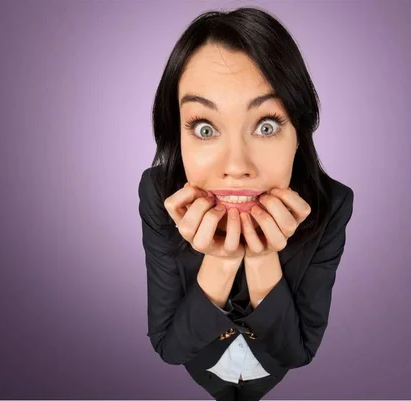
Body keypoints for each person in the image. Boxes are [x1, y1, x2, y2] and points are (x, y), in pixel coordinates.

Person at [137, 6, 355, 401]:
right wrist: (220, 261)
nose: (236, 167)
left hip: (268, 376)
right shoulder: (158, 194)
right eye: (204, 128)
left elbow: (299, 351)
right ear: (179, 136)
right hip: (203, 372)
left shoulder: (333, 204)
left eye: (266, 125)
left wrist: (260, 258)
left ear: (298, 134)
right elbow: (170, 347)